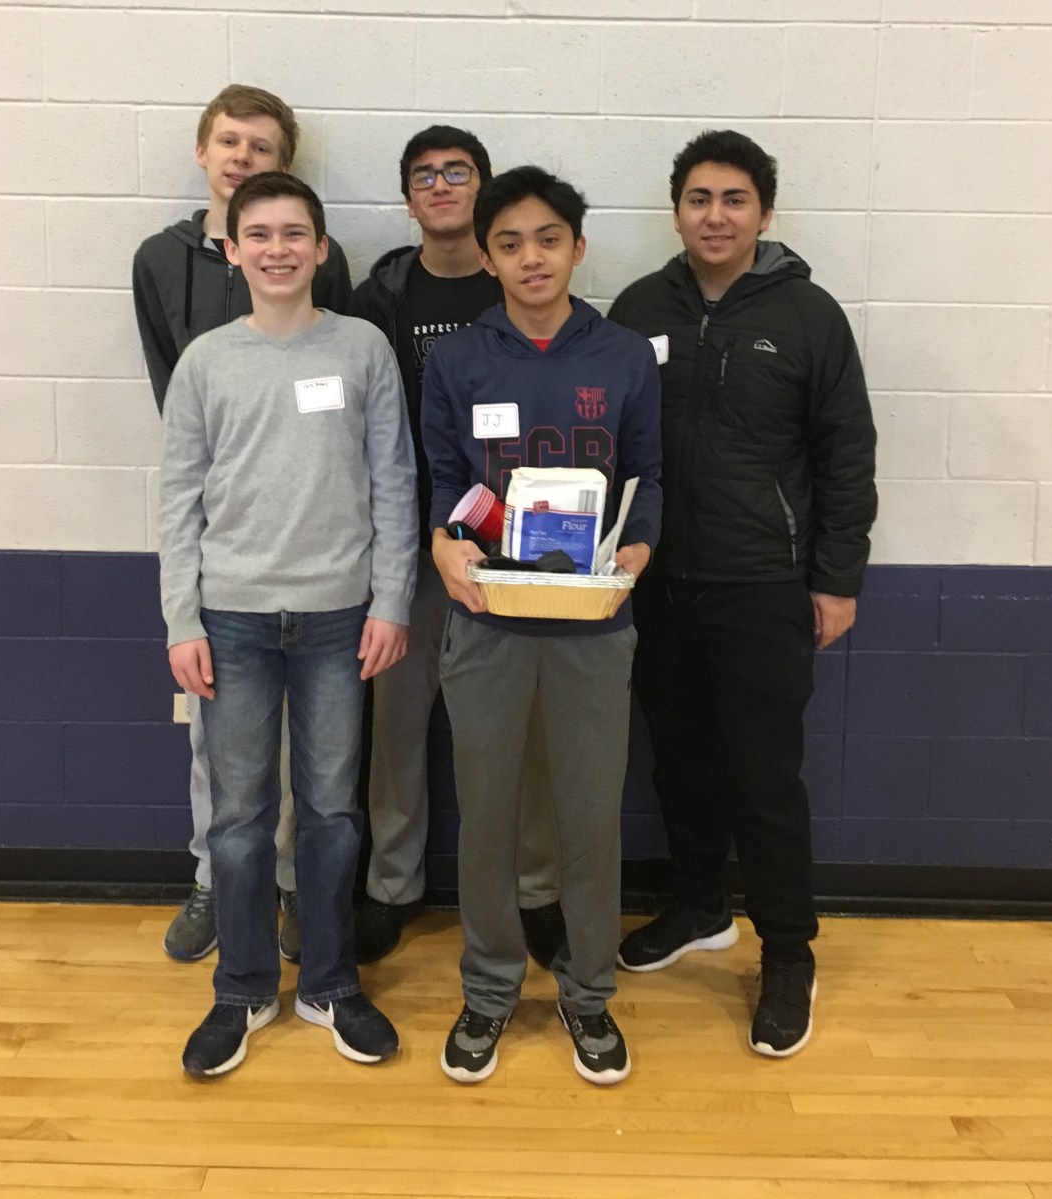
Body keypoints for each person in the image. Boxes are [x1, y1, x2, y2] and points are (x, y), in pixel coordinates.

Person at [609, 129, 877, 1058]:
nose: (715, 216)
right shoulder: (640, 307)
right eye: (699, 199)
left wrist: (837, 578)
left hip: (763, 585)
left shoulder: (808, 315)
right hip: (657, 584)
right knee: (679, 762)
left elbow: (847, 454)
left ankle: (788, 952)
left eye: (734, 200)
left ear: (764, 212)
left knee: (763, 779)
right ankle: (698, 906)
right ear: (675, 210)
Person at [158, 171, 416, 1077]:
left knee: (333, 810)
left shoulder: (363, 348)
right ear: (233, 250)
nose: (278, 249)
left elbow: (394, 481)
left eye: (294, 233)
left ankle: (330, 983)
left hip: (339, 618)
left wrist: (391, 599)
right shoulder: (205, 361)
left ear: (321, 247)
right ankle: (242, 987)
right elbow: (177, 500)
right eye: (259, 234)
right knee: (238, 817)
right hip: (230, 618)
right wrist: (181, 618)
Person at [422, 166, 662, 1086]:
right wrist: (444, 544)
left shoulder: (623, 354)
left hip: (591, 624)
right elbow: (446, 480)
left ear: (578, 248)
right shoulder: (458, 359)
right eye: (511, 243)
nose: (532, 258)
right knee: (486, 815)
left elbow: (648, 473)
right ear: (487, 257)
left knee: (589, 819)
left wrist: (638, 549)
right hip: (488, 618)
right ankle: (488, 989)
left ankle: (588, 993)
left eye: (549, 239)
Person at [133, 84, 352, 964]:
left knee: (314, 758)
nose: (242, 158)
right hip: (226, 554)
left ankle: (292, 885)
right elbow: (175, 403)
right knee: (217, 742)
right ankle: (215, 882)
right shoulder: (160, 259)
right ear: (203, 151)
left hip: (316, 558)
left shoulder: (324, 269)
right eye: (229, 141)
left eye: (262, 147)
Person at [350, 126, 565, 968]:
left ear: (482, 188)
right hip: (408, 549)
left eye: (458, 172)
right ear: (408, 199)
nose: (441, 185)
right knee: (397, 729)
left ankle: (535, 889)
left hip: (513, 552)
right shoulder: (378, 300)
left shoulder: (522, 285)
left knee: (524, 732)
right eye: (424, 176)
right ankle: (391, 885)